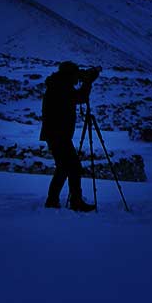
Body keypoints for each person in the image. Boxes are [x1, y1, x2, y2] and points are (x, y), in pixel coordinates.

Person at [40, 61, 96, 211]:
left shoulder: (58, 84)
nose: (76, 78)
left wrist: (86, 80)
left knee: (63, 168)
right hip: (58, 135)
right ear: (69, 74)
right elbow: (81, 97)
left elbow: (76, 96)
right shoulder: (61, 87)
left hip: (56, 134)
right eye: (75, 75)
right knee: (74, 167)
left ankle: (52, 201)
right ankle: (75, 202)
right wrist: (88, 82)